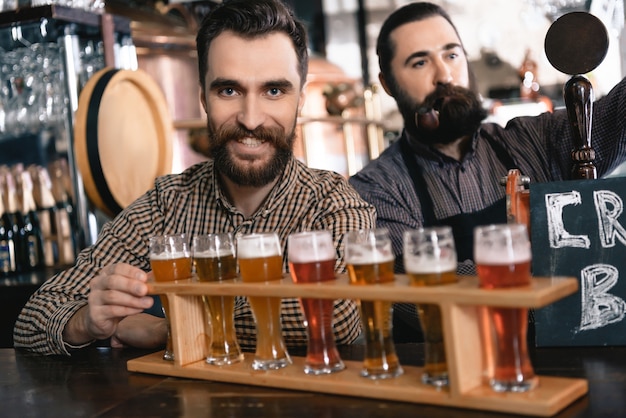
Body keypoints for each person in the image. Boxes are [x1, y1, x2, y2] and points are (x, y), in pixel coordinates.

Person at [14, 0, 375, 356]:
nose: (251, 118)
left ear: (299, 101)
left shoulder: (334, 203)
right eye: (229, 90)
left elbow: (337, 315)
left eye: (274, 91)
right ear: (203, 97)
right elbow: (31, 320)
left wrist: (168, 330)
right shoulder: (166, 203)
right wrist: (86, 322)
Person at [349, 2, 626, 341]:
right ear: (388, 83)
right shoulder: (375, 190)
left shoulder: (532, 141)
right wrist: (566, 269)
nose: (444, 75)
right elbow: (435, 296)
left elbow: (619, 116)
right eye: (420, 62)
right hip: (459, 378)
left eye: (452, 55)